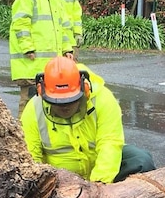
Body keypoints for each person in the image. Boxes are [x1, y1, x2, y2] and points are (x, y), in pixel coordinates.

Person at [21, 56, 156, 183]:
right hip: (59, 178)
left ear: (84, 88)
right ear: (42, 92)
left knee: (141, 160)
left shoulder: (103, 99)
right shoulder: (33, 109)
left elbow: (110, 143)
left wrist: (98, 186)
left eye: (70, 100)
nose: (64, 107)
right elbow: (31, 157)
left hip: (101, 167)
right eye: (57, 102)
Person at [10, 0, 75, 115]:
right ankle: (23, 138)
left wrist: (68, 49)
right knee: (30, 105)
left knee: (48, 104)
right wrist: (27, 48)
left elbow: (64, 28)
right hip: (32, 63)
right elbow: (20, 24)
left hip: (51, 66)